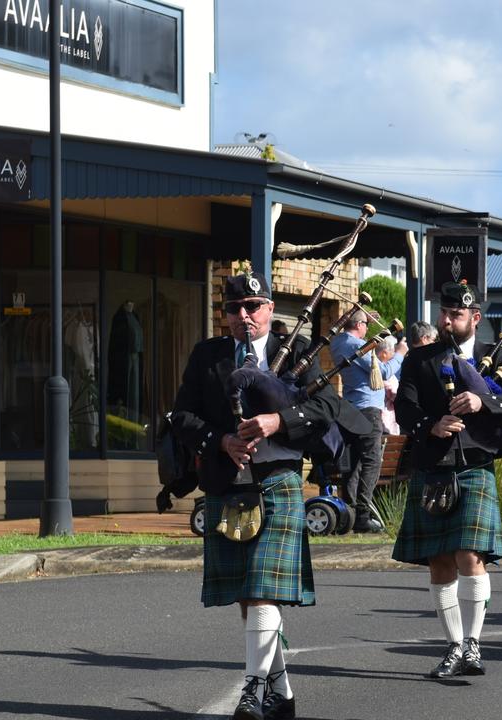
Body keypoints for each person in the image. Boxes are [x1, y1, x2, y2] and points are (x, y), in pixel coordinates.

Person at [170, 271, 342, 720]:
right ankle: (280, 691)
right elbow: (182, 415)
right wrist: (219, 440)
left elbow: (326, 409)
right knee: (249, 595)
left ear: (269, 309)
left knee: (263, 590)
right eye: (234, 308)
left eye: (253, 306)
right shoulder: (207, 356)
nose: (244, 316)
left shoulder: (299, 352)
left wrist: (277, 422)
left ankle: (252, 690)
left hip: (278, 480)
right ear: (224, 315)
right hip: (229, 483)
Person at [392, 282, 502, 678]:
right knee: (439, 561)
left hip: (474, 465)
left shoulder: (500, 357)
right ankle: (453, 645)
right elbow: (404, 406)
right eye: (444, 313)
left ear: (475, 318)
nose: (447, 320)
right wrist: (431, 425)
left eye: (455, 315)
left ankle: (473, 643)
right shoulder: (420, 360)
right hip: (433, 465)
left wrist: (482, 400)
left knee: (470, 555)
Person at [330, 314, 406, 533]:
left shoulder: (338, 343)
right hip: (368, 409)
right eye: (365, 325)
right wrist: (399, 354)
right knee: (372, 460)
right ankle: (362, 514)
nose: (367, 330)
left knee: (353, 463)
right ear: (359, 325)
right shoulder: (356, 344)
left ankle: (351, 513)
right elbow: (381, 371)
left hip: (350, 406)